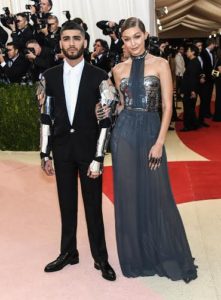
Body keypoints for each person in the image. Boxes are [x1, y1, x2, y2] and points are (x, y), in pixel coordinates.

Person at [99, 17, 198, 282]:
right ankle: (136, 255)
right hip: (125, 134)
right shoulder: (118, 69)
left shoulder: (161, 64)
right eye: (127, 38)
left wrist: (159, 142)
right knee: (128, 194)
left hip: (151, 130)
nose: (132, 43)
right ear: (122, 40)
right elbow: (121, 105)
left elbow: (167, 107)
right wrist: (107, 109)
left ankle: (159, 248)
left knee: (157, 191)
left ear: (145, 36)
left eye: (137, 37)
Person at [39, 21, 116, 281]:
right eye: (66, 38)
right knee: (66, 204)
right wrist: (44, 153)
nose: (71, 43)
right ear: (60, 43)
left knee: (93, 206)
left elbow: (106, 121)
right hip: (61, 150)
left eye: (76, 38)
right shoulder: (48, 76)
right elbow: (46, 117)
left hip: (88, 151)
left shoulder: (100, 76)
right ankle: (69, 252)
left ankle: (101, 258)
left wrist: (98, 157)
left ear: (84, 42)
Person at [180, 44, 202, 131]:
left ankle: (188, 126)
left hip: (190, 90)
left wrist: (193, 91)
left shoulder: (194, 62)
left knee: (188, 108)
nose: (186, 52)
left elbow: (193, 77)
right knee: (190, 108)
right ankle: (194, 124)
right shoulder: (194, 61)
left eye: (188, 51)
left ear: (192, 52)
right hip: (190, 89)